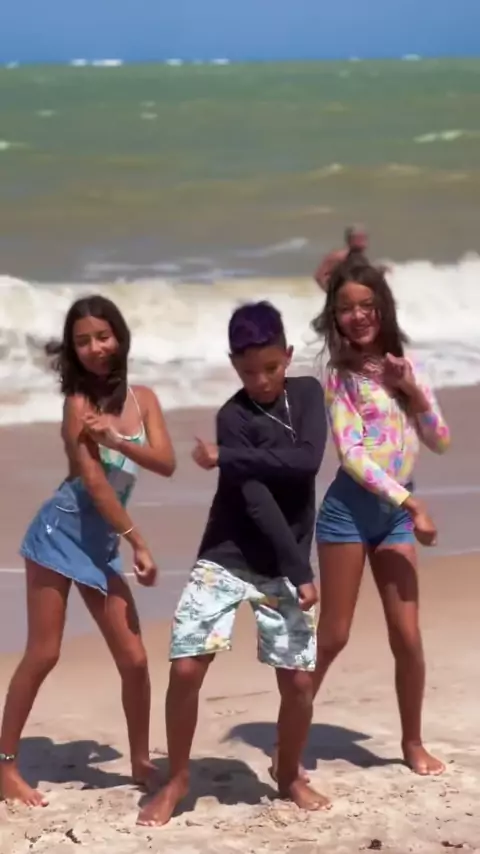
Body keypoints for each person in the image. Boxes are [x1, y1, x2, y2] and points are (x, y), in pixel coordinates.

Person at [137, 300, 328, 827]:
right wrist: (302, 570)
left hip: (287, 558)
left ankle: (287, 774)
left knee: (298, 682)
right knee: (186, 666)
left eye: (270, 367)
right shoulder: (232, 417)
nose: (261, 381)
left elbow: (308, 461)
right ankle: (178, 778)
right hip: (227, 553)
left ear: (288, 355)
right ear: (232, 365)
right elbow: (256, 501)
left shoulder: (307, 395)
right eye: (247, 372)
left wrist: (229, 456)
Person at [0, 295, 176, 807]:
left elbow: (165, 462)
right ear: (73, 350)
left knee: (135, 660)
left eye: (102, 336)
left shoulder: (144, 399)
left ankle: (140, 760)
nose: (95, 348)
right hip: (58, 535)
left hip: (100, 544)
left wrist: (117, 440)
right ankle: (5, 764)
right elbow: (94, 485)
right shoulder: (77, 406)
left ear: (119, 337)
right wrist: (138, 541)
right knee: (44, 652)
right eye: (82, 341)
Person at [307, 263, 450, 781]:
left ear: (382, 307)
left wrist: (411, 389)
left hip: (394, 519)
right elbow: (352, 457)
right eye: (346, 308)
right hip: (347, 514)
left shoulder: (406, 366)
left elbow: (440, 440)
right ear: (335, 317)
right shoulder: (340, 377)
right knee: (333, 636)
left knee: (407, 636)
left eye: (367, 305)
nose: (358, 315)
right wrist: (411, 504)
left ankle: (412, 742)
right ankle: (290, 729)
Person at [314, 225, 369, 292]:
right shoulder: (338, 257)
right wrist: (332, 293)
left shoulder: (363, 259)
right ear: (350, 240)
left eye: (364, 238)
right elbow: (319, 277)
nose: (363, 242)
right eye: (359, 238)